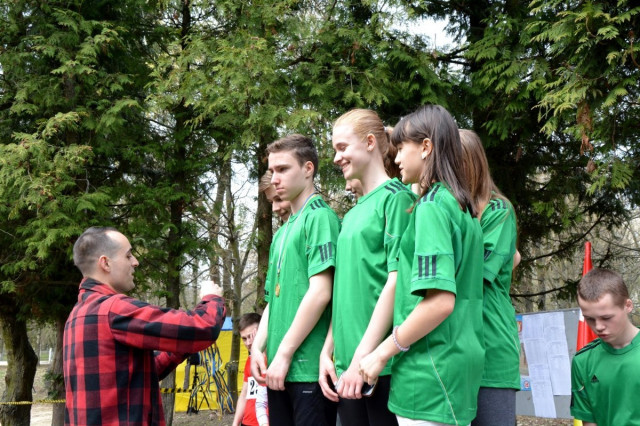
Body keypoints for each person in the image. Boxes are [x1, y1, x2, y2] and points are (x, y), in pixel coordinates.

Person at [359, 104, 485, 425]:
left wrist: (381, 353)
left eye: (402, 148)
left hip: (431, 374)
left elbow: (440, 303)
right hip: (453, 369)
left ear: (426, 147)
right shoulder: (462, 207)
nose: (397, 158)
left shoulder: (432, 207)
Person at [63, 227, 226, 425]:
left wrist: (179, 345)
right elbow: (204, 327)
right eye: (128, 255)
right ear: (105, 263)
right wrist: (212, 298)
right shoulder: (114, 309)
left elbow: (138, 373)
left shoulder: (76, 315)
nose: (135, 262)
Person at [319, 109, 415, 426]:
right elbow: (344, 291)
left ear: (370, 142)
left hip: (380, 368)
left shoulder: (397, 200)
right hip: (347, 368)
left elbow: (396, 283)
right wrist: (328, 351)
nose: (336, 157)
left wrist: (363, 358)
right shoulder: (351, 214)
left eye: (342, 147)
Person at [250, 134, 340, 425]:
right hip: (279, 371)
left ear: (308, 169)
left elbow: (321, 292)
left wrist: (285, 353)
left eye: (283, 169)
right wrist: (257, 348)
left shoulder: (320, 217)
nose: (274, 178)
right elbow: (273, 302)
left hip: (308, 370)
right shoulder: (282, 232)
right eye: (272, 170)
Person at [459, 129, 520, 426]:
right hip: (456, 353)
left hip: (491, 350)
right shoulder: (447, 210)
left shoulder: (498, 209)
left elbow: (475, 276)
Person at [571, 268, 640, 426]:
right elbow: (589, 421)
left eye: (606, 318)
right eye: (590, 319)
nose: (598, 327)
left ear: (628, 305)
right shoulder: (583, 362)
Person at [233, 313, 268, 426]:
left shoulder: (275, 358)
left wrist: (259, 348)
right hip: (247, 422)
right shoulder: (249, 361)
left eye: (252, 336)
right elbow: (244, 395)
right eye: (244, 338)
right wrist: (235, 423)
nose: (248, 343)